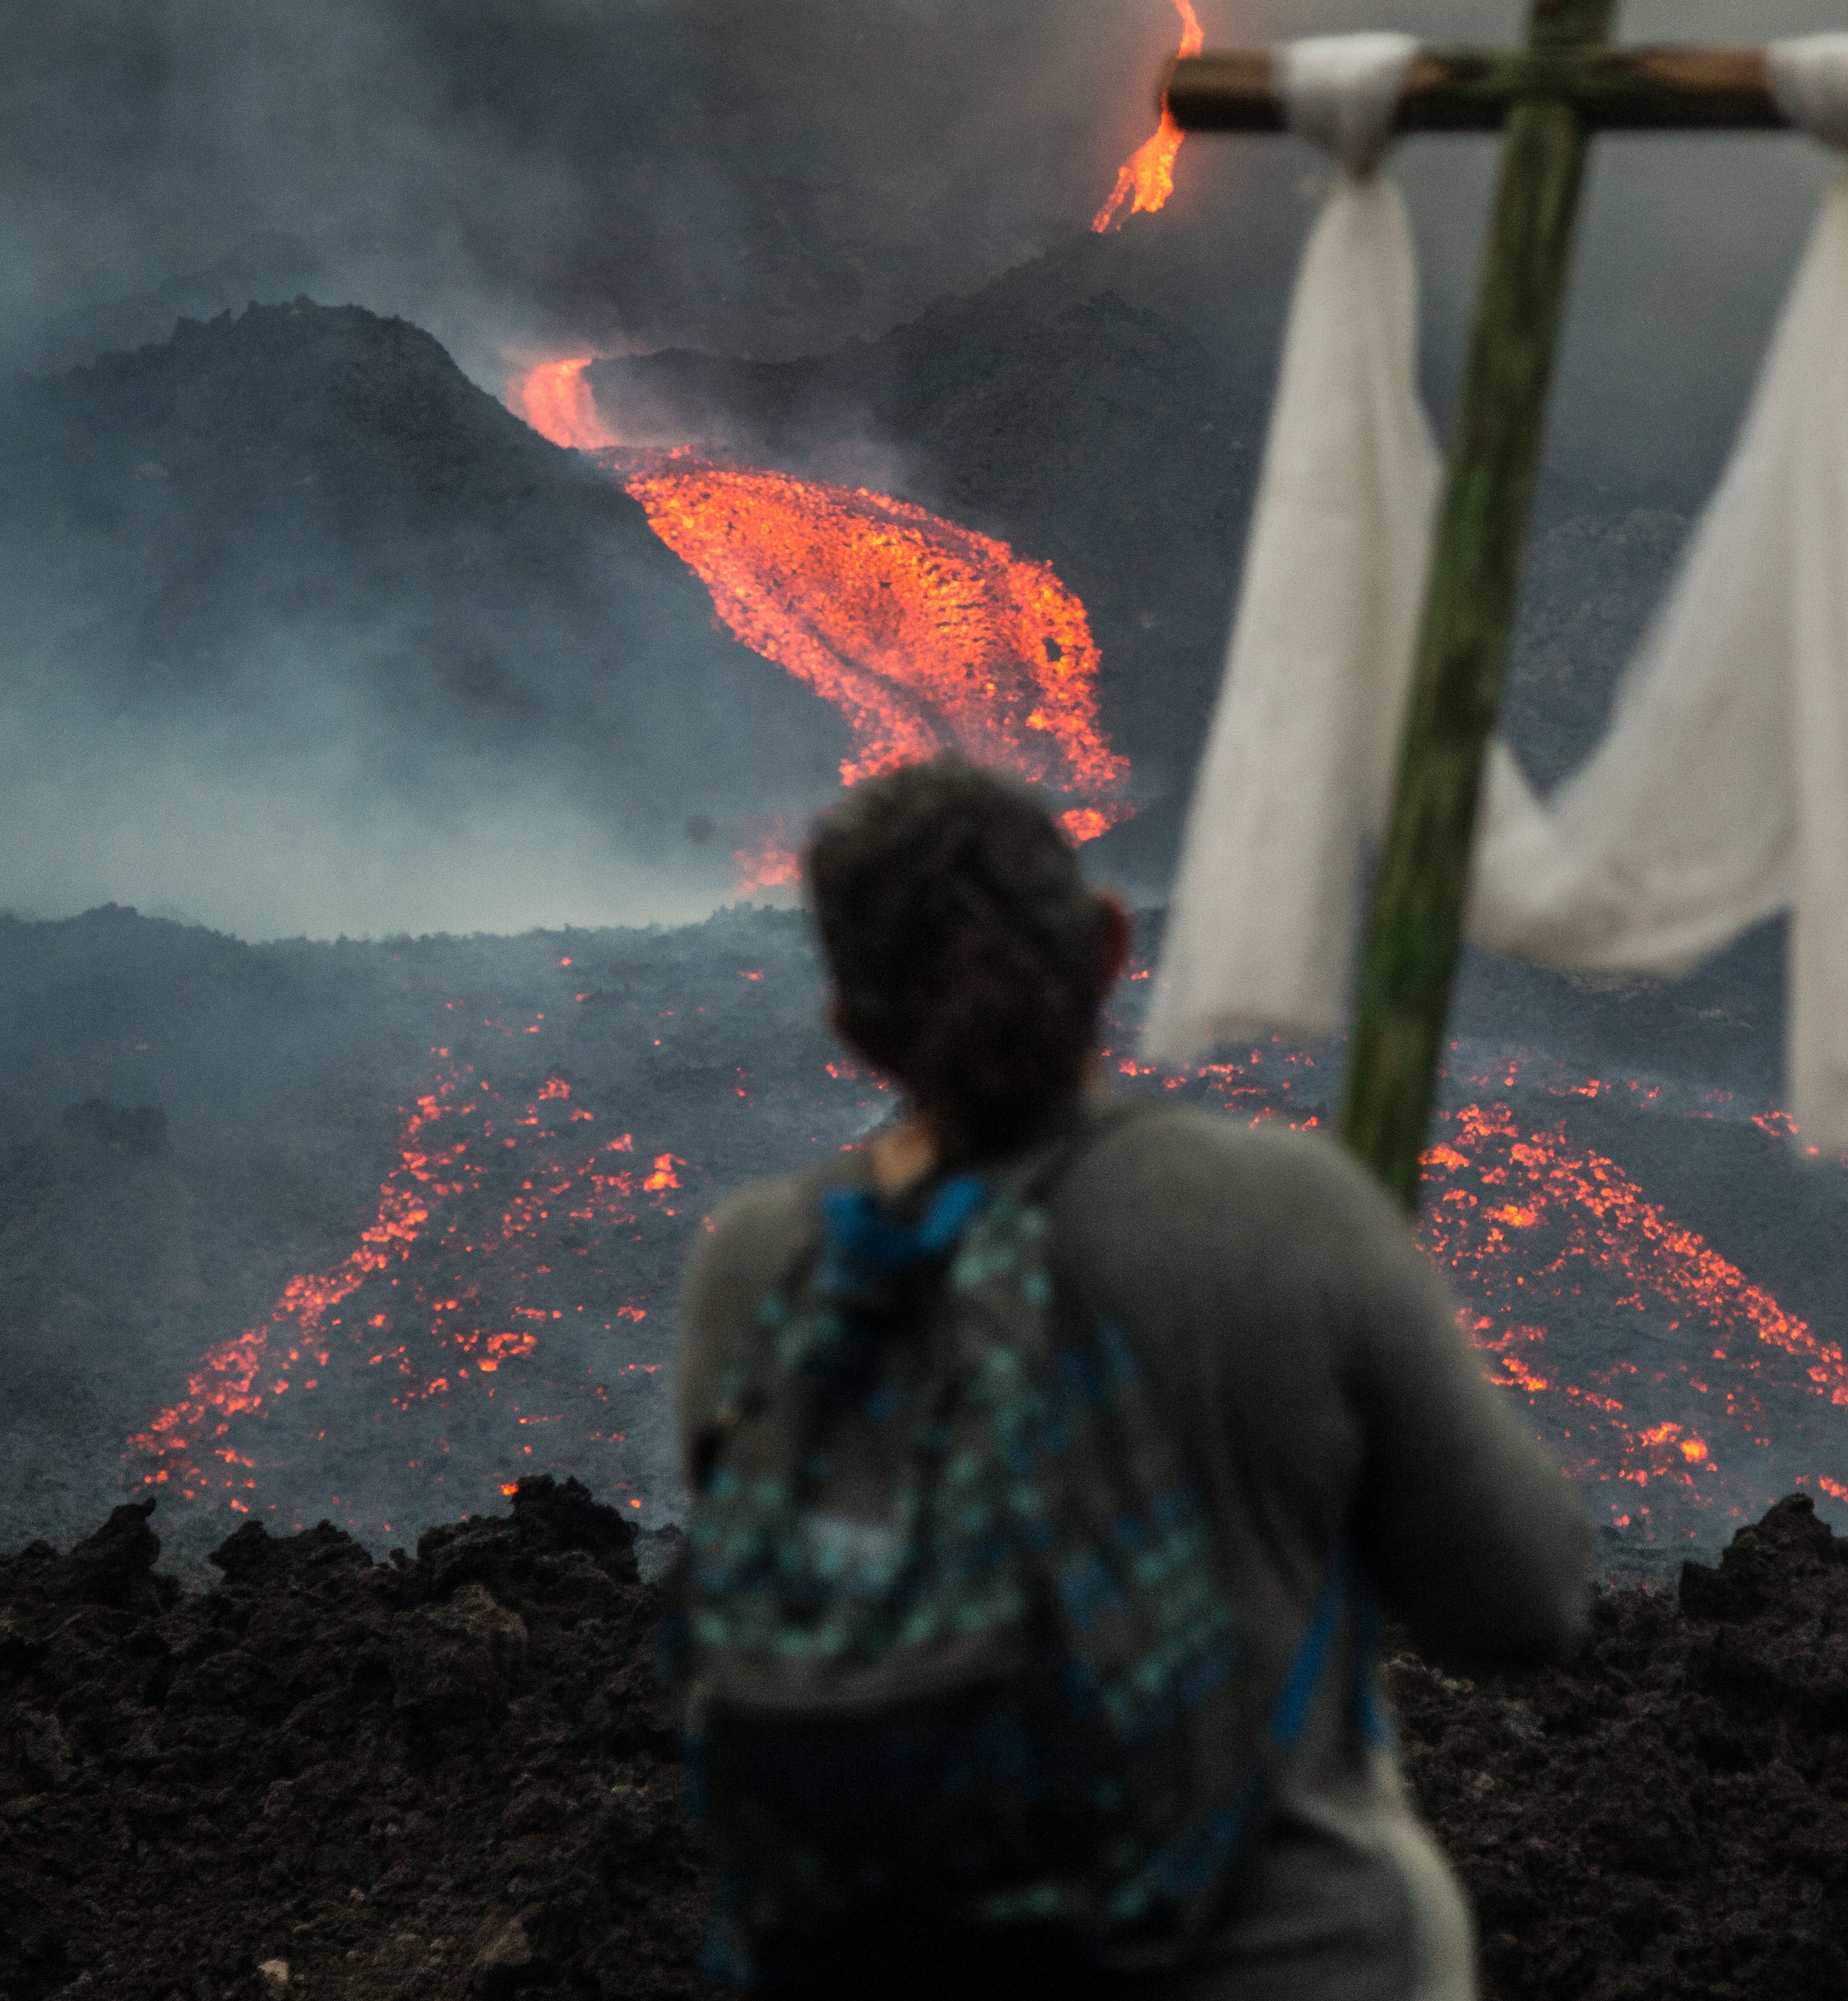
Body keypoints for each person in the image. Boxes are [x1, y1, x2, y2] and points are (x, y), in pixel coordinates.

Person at [674, 757, 1596, 1998]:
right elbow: (1521, 1601)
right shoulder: (1289, 1213)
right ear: (1109, 947)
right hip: (1284, 1955)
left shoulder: (760, 1270)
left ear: (856, 1028)